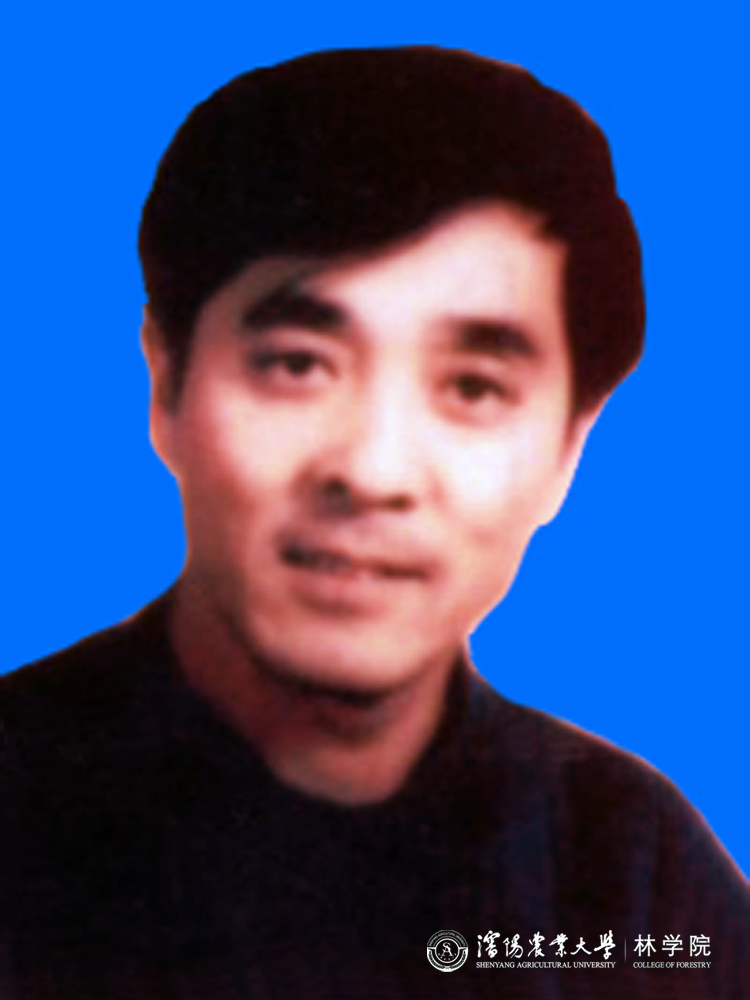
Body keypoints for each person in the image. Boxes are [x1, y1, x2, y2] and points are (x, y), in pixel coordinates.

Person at [1, 46, 747, 1000]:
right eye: (296, 364)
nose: (373, 470)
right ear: (166, 383)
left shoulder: (632, 878)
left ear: (569, 448)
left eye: (473, 387)